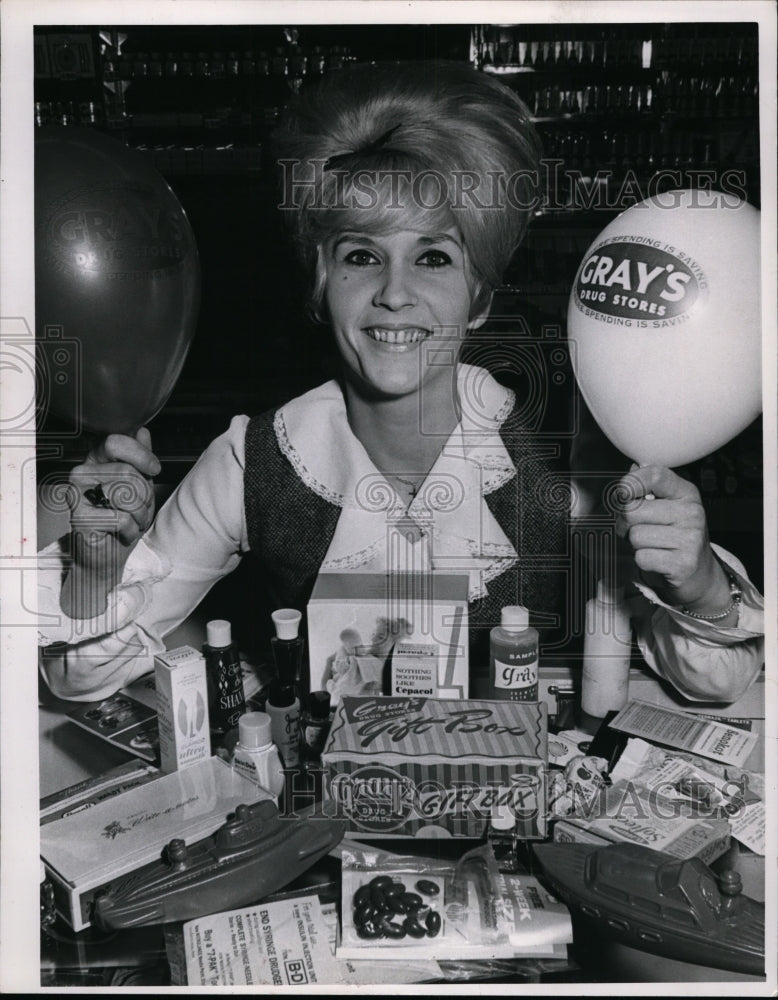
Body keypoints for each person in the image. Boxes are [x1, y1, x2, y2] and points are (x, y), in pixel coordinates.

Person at [38, 61, 764, 705]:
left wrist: (696, 584)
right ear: (322, 287)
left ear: (480, 298)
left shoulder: (566, 453)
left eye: (434, 259)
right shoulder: (250, 460)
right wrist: (96, 568)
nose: (393, 293)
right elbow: (81, 679)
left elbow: (722, 683)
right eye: (360, 256)